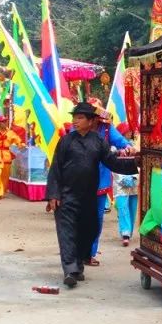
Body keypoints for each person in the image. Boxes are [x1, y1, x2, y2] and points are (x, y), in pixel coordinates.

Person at [46, 102, 138, 288]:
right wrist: (53, 194)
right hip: (66, 196)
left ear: (90, 121)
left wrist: (136, 163)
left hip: (89, 196)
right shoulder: (65, 141)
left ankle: (78, 263)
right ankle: (70, 270)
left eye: (80, 118)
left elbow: (113, 163)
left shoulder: (98, 141)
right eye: (74, 118)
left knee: (88, 231)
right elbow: (55, 169)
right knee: (67, 233)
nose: (75, 121)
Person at [84, 99, 135, 266]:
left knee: (97, 218)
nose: (92, 119)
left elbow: (122, 142)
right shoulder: (75, 130)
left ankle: (90, 253)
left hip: (100, 180)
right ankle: (76, 253)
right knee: (78, 218)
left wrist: (128, 147)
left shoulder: (106, 129)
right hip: (79, 180)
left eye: (95, 116)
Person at [0, 116, 25, 200]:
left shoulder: (10, 133)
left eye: (6, 121)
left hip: (6, 156)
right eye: (3, 121)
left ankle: (2, 191)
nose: (5, 123)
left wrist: (20, 144)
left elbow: (17, 139)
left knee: (5, 176)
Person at [113, 122, 139, 247]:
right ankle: (125, 233)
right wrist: (121, 179)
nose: (130, 133)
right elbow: (111, 165)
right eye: (128, 131)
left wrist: (135, 178)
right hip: (120, 182)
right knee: (122, 207)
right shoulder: (113, 149)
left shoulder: (136, 146)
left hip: (134, 180)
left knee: (133, 208)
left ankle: (129, 230)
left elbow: (141, 164)